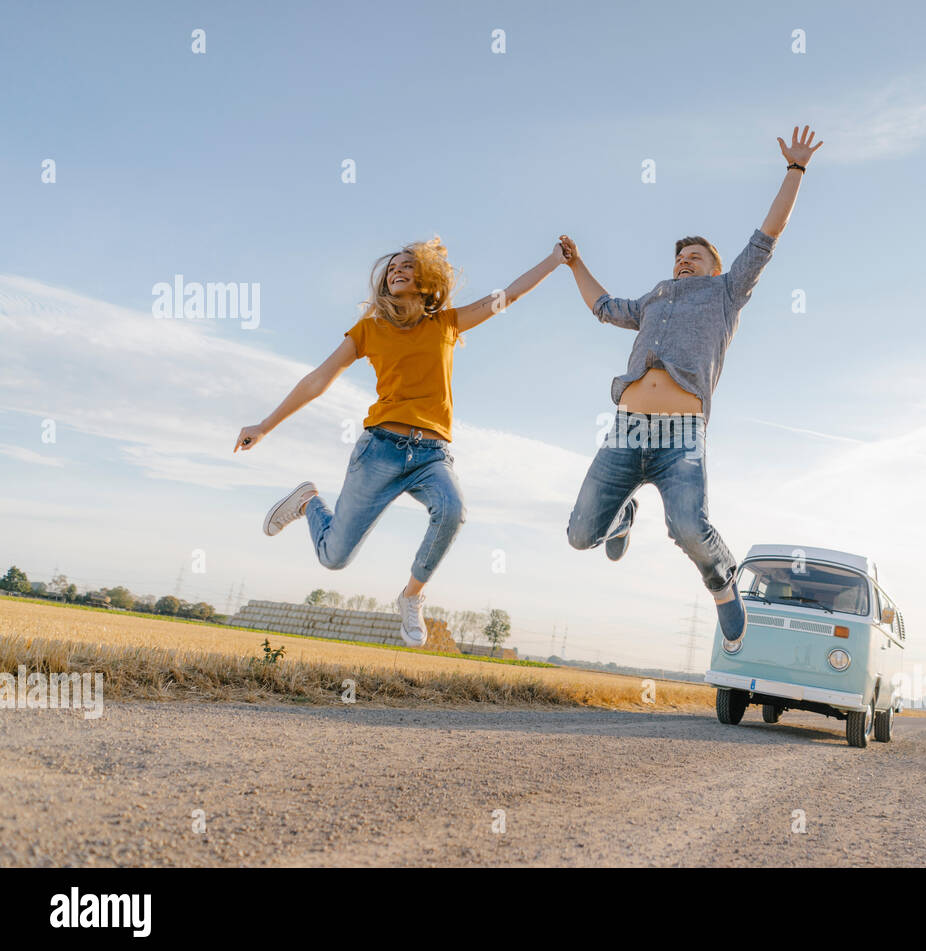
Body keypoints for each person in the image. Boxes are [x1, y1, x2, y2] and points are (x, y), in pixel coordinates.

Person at [558, 125, 823, 642]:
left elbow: (766, 237)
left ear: (717, 268)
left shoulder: (727, 292)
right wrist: (575, 263)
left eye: (695, 255)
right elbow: (603, 307)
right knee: (578, 535)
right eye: (680, 256)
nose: (684, 259)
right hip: (628, 429)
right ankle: (621, 516)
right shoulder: (655, 298)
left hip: (682, 435)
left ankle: (722, 582)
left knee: (686, 526)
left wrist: (795, 170)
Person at [233, 238, 567, 646]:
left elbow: (507, 297)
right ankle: (308, 502)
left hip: (431, 455)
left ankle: (411, 595)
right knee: (333, 558)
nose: (397, 270)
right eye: (392, 266)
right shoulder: (369, 330)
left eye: (407, 265)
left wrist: (554, 259)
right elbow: (317, 379)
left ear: (425, 280)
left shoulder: (445, 324)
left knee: (453, 510)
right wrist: (265, 425)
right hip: (380, 450)